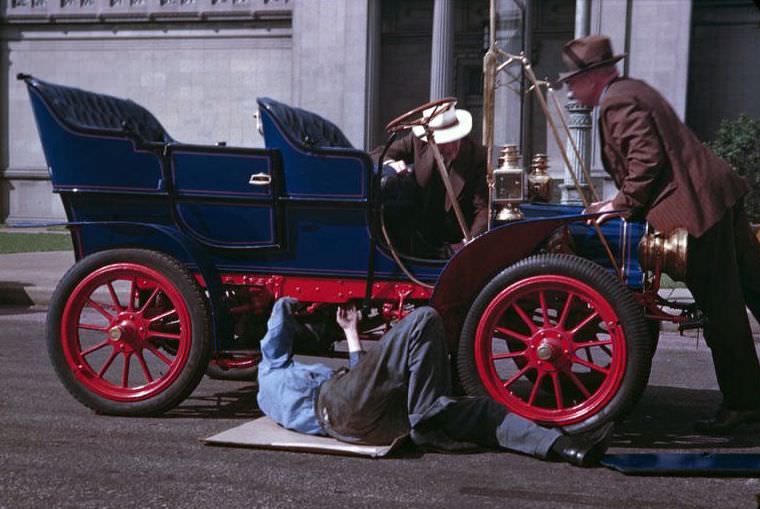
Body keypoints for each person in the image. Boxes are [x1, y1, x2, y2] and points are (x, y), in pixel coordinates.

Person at [558, 35, 760, 434]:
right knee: (754, 288)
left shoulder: (617, 100)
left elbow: (645, 158)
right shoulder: (632, 90)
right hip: (715, 194)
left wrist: (618, 203)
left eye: (573, 81)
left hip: (696, 209)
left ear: (594, 76)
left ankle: (745, 404)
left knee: (721, 309)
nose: (570, 89)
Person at [257, 297, 614, 467]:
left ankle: (567, 448)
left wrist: (351, 334)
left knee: (482, 411)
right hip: (336, 408)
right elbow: (275, 333)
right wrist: (287, 300)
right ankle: (427, 413)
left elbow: (366, 381)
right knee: (423, 318)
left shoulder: (291, 379)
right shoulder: (269, 372)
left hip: (375, 418)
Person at [370, 103, 488, 258]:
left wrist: (468, 244)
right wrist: (392, 164)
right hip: (420, 236)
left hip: (456, 240)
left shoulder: (478, 157)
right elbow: (377, 154)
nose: (450, 147)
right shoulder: (417, 142)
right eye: (443, 142)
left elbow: (484, 209)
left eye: (454, 139)